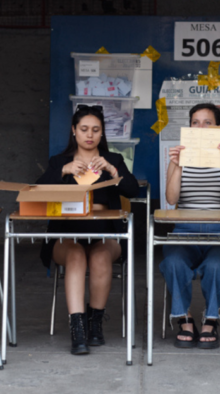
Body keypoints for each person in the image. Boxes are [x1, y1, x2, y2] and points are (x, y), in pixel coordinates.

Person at [36, 105, 139, 355]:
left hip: (106, 233)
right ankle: (77, 327)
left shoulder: (113, 160)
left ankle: (95, 324)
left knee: (100, 256)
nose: (89, 135)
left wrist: (113, 171)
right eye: (84, 129)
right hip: (66, 233)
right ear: (74, 131)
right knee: (76, 255)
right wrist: (64, 171)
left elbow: (133, 191)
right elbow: (36, 192)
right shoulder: (59, 161)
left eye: (95, 130)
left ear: (102, 133)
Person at [159, 103, 220, 349]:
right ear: (189, 127)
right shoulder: (177, 159)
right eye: (195, 122)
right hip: (184, 230)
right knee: (173, 262)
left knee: (217, 265)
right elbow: (172, 199)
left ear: (219, 128)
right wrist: (178, 165)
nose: (201, 127)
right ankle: (184, 317)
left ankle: (211, 319)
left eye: (208, 123)